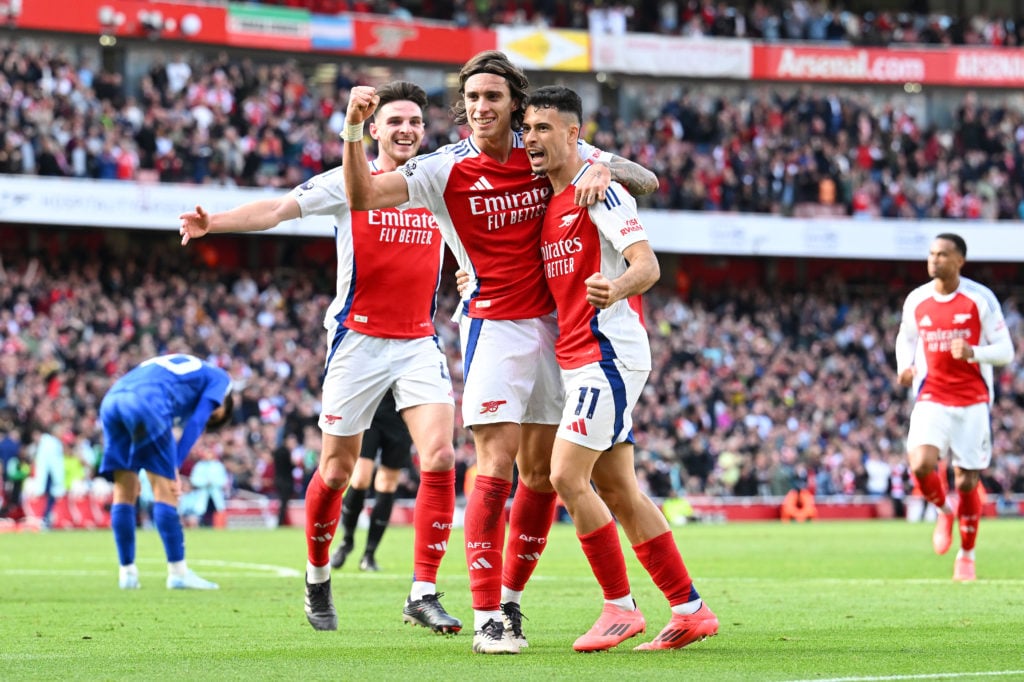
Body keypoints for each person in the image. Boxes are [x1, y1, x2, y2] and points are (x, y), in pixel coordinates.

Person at [342, 50, 658, 654]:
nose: (480, 107)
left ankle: (512, 603)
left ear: (515, 102)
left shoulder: (544, 150)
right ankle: (487, 615)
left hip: (562, 331)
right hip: (494, 326)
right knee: (495, 463)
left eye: (493, 97)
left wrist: (606, 169)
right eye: (472, 98)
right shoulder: (443, 168)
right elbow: (363, 196)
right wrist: (354, 130)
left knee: (540, 475)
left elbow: (648, 181)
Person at [179, 81, 462, 635]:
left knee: (443, 458)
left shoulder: (434, 182)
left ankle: (423, 592)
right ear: (374, 129)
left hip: (418, 341)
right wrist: (217, 221)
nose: (406, 130)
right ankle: (316, 578)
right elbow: (277, 209)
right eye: (395, 121)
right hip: (356, 341)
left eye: (415, 122)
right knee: (335, 471)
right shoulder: (347, 180)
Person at [518, 85, 719, 652]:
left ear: (574, 135)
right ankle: (690, 608)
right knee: (620, 490)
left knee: (564, 477)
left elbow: (646, 265)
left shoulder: (599, 195)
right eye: (527, 128)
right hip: (581, 357)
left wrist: (616, 287)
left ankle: (619, 606)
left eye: (544, 129)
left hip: (607, 355)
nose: (532, 139)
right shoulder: (553, 197)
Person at [895, 233, 1014, 581]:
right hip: (932, 395)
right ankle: (944, 512)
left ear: (960, 260)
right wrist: (904, 365)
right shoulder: (917, 299)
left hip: (972, 400)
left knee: (966, 481)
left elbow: (1006, 351)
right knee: (920, 464)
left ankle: (967, 554)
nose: (935, 260)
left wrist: (975, 352)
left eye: (943, 255)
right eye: (932, 254)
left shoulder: (979, 300)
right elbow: (906, 336)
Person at [99, 353, 234, 590]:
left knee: (124, 490)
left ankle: (127, 574)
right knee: (166, 491)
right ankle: (178, 572)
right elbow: (196, 422)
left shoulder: (181, 369)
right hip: (147, 402)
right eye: (216, 412)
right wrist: (175, 465)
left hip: (112, 401)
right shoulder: (221, 379)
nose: (210, 413)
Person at [330, 389, 412, 573]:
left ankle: (369, 554)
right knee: (360, 478)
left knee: (387, 484)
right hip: (370, 413)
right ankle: (347, 540)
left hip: (401, 416)